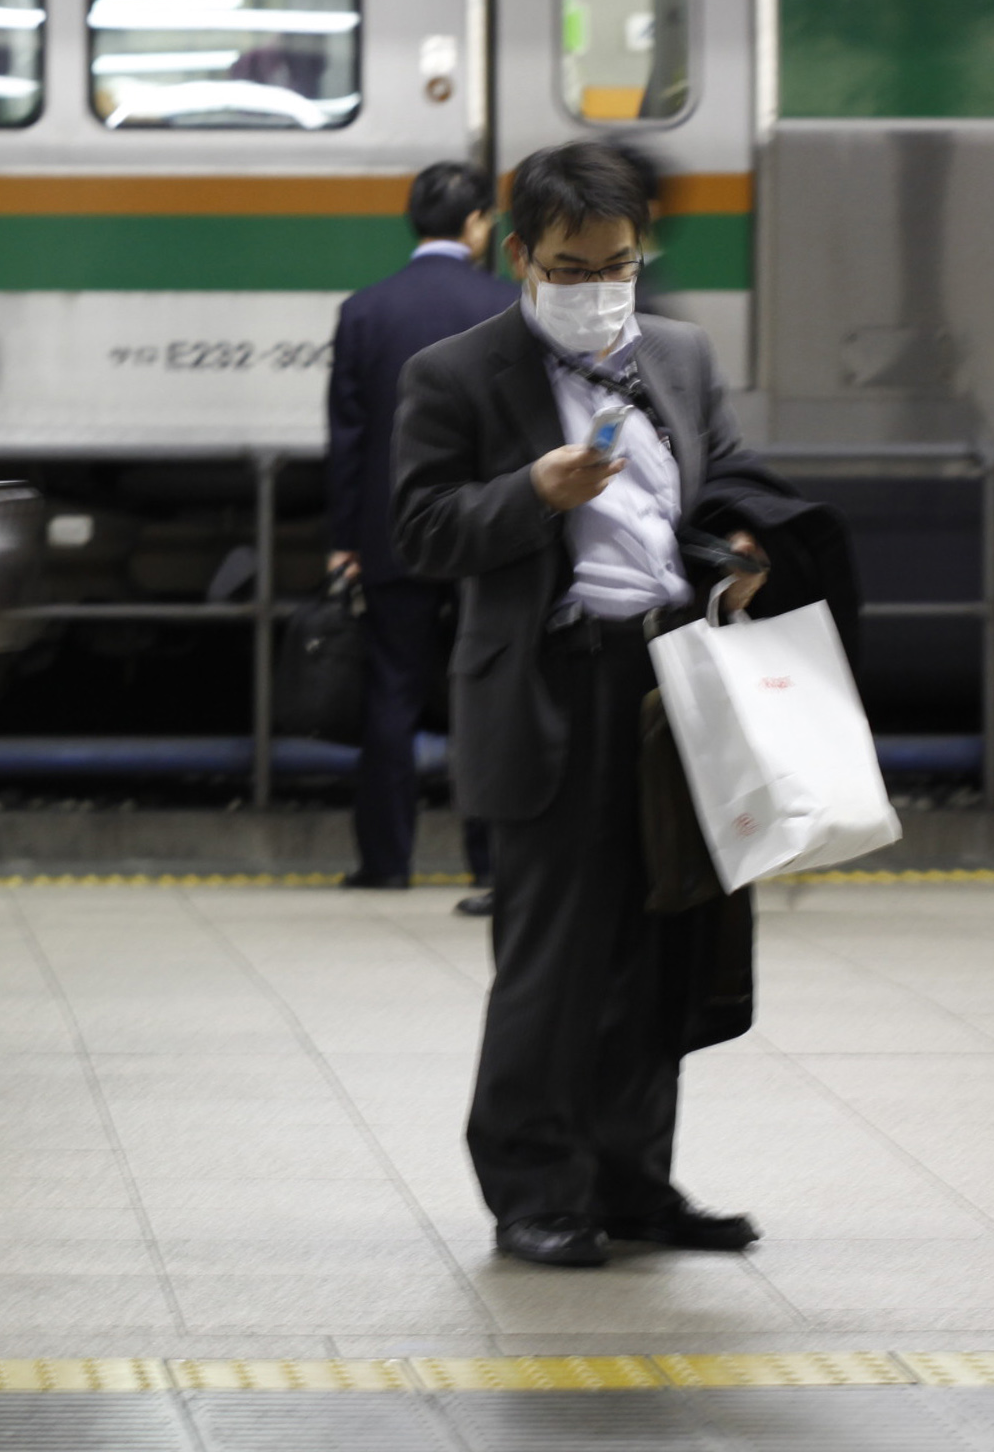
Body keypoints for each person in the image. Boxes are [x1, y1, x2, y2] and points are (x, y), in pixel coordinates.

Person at [392, 140, 786, 1270]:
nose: (594, 285)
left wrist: (739, 553)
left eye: (615, 262)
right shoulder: (457, 373)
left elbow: (722, 486)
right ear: (521, 255)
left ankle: (633, 1182)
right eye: (569, 266)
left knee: (663, 944)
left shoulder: (680, 353)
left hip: (674, 683)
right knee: (555, 960)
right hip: (551, 686)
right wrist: (532, 491)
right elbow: (419, 529)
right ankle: (532, 1190)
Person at [325, 162, 518, 909]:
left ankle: (386, 862)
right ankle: (490, 862)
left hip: (393, 532)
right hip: (486, 529)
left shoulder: (365, 311)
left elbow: (349, 439)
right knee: (486, 693)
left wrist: (347, 538)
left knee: (392, 695)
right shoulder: (505, 303)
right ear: (474, 223)